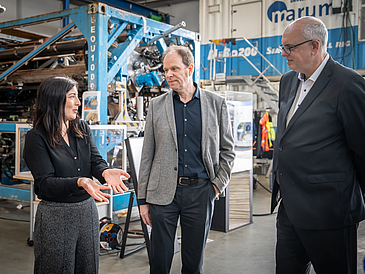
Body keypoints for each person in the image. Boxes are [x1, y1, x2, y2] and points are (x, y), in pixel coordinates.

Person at [271, 16, 365, 274]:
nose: (283, 54)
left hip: (329, 213)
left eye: (289, 47)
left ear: (315, 46)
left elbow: (362, 150)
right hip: (290, 208)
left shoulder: (347, 84)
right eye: (283, 47)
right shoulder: (288, 81)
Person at [138, 45, 235, 274]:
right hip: (162, 195)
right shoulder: (157, 105)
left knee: (193, 263)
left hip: (201, 193)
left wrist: (216, 186)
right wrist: (142, 199)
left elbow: (228, 151)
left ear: (189, 68)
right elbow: (147, 155)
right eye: (165, 70)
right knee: (159, 262)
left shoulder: (215, 104)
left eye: (174, 69)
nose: (168, 74)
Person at [23, 76, 130, 274]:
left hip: (86, 213)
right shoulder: (36, 137)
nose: (79, 103)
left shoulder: (81, 128)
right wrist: (80, 182)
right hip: (56, 216)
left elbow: (95, 161)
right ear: (55, 100)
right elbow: (45, 184)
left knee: (87, 267)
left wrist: (105, 171)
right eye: (73, 97)